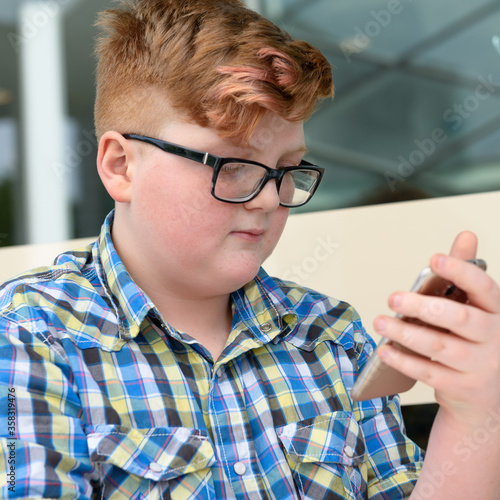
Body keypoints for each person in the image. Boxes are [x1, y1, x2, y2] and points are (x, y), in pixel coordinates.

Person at [1, 0, 499, 498]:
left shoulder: (331, 336)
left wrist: (474, 413)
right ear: (120, 166)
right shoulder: (28, 336)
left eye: (287, 169)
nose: (267, 197)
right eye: (232, 165)